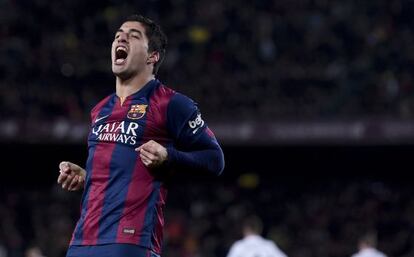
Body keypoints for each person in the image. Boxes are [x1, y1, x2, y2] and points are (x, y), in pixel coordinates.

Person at [57, 14, 225, 257]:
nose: (121, 38)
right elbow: (119, 167)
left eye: (133, 36)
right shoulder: (100, 110)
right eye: (118, 35)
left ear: (152, 56)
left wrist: (169, 157)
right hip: (82, 241)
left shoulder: (171, 103)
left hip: (130, 242)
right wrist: (87, 177)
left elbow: (215, 159)